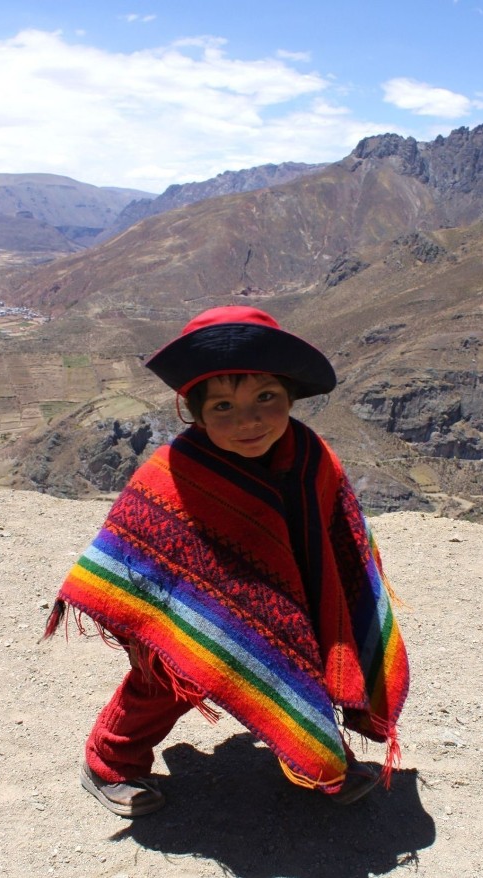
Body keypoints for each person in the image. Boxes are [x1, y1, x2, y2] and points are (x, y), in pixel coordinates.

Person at [44, 305, 409, 818]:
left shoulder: (310, 455)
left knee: (314, 654)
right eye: (222, 407)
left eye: (266, 398)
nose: (249, 421)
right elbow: (132, 552)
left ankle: (317, 754)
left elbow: (339, 538)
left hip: (295, 597)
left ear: (290, 396)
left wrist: (330, 601)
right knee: (166, 686)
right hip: (182, 612)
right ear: (193, 413)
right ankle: (110, 759)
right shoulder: (174, 475)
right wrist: (164, 627)